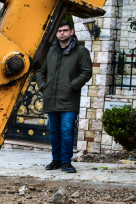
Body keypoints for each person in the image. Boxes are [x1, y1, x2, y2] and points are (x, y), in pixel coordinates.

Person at [33, 21, 92, 173]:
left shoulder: (81, 51)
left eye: (65, 30)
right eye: (59, 31)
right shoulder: (50, 51)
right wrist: (43, 86)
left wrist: (72, 86)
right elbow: (40, 71)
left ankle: (66, 161)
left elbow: (86, 72)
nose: (61, 33)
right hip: (51, 98)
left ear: (71, 32)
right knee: (54, 131)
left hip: (69, 99)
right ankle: (56, 160)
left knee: (66, 130)